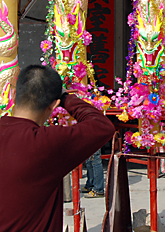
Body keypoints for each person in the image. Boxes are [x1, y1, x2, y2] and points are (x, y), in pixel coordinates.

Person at [0, 65, 115, 232]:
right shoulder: (46, 143)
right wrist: (65, 97)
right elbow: (102, 126)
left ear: (13, 94)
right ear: (54, 106)